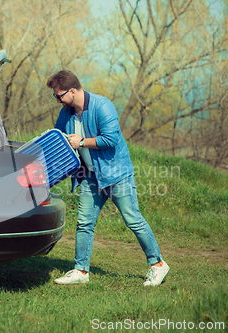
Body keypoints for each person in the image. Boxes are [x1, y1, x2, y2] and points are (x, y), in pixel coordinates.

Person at [47, 70, 169, 286]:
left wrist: (82, 142)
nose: (57, 100)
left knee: (133, 219)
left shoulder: (103, 106)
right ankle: (81, 271)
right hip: (89, 176)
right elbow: (58, 138)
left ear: (72, 91)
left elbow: (111, 139)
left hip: (116, 175)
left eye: (59, 95)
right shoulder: (66, 113)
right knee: (84, 223)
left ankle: (158, 265)